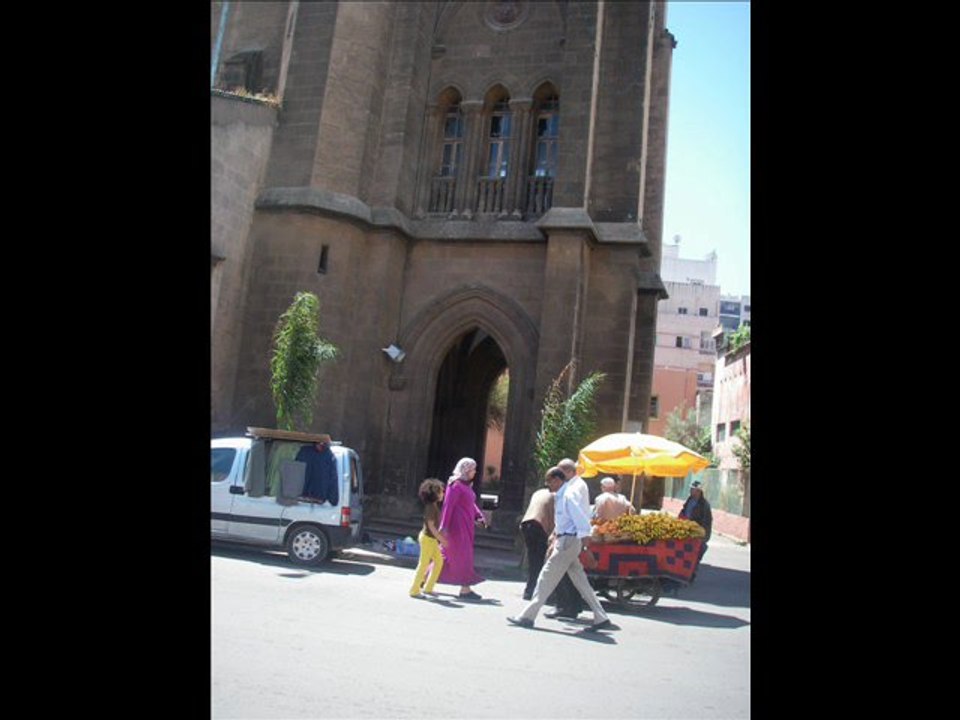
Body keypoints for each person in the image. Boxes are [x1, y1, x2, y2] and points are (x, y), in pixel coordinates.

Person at [507, 463, 614, 632]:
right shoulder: (562, 494)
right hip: (568, 541)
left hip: (568, 542)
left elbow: (580, 519)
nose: (547, 485)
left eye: (549, 481)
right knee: (581, 581)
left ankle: (527, 616)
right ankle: (601, 617)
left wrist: (585, 542)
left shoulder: (568, 495)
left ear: (557, 480)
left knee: (545, 578)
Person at [436, 457, 487, 600]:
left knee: (445, 557)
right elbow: (448, 506)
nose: (475, 472)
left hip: (466, 527)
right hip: (456, 528)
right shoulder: (455, 485)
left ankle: (425, 577)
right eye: (473, 469)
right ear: (466, 469)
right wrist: (444, 526)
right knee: (463, 556)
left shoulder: (466, 486)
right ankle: (465, 589)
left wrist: (479, 516)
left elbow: (472, 504)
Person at [519, 467, 564, 600]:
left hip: (527, 524)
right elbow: (554, 517)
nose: (549, 484)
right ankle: (537, 592)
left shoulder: (538, 492)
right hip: (539, 527)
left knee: (534, 560)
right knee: (541, 561)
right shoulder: (556, 495)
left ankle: (529, 590)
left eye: (549, 481)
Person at [409, 478, 449, 598]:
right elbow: (431, 526)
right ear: (434, 494)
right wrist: (441, 539)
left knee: (439, 561)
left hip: (430, 539)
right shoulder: (431, 507)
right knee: (424, 564)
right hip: (428, 539)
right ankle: (414, 590)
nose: (443, 494)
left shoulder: (434, 506)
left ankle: (428, 588)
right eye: (441, 491)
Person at [679, 479, 713, 576]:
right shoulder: (690, 499)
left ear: (698, 491)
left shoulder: (704, 505)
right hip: (687, 530)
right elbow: (684, 510)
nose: (690, 491)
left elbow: (705, 521)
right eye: (690, 489)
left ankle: (692, 573)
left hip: (697, 532)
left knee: (695, 554)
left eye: (692, 489)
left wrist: (701, 534)